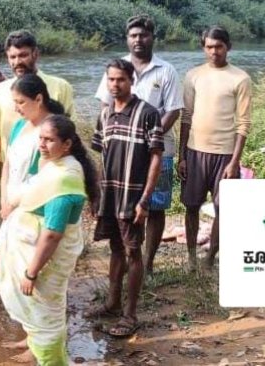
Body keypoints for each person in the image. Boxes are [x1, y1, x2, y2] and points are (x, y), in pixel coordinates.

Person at [0, 114, 100, 366]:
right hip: (35, 253)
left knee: (46, 320)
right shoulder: (56, 166)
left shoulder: (63, 179)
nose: (42, 144)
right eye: (40, 138)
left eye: (49, 140)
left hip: (44, 262)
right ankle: (37, 347)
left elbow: (52, 234)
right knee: (41, 314)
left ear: (67, 144)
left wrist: (31, 272)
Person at [93, 15, 184, 276]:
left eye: (143, 35)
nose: (138, 40)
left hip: (159, 151)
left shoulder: (166, 71)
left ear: (152, 38)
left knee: (155, 205)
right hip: (122, 152)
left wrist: (149, 140)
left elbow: (173, 110)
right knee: (124, 205)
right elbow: (105, 105)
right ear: (127, 39)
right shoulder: (117, 68)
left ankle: (149, 262)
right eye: (133, 35)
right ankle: (127, 257)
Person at [89, 59, 163, 338]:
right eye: (111, 79)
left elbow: (156, 158)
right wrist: (96, 194)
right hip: (110, 194)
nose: (115, 84)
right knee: (115, 247)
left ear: (132, 81)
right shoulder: (105, 114)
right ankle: (112, 303)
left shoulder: (148, 113)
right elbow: (102, 156)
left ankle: (130, 315)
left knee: (133, 251)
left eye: (121, 79)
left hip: (133, 195)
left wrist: (145, 200)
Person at [179, 26, 252, 271]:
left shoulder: (240, 78)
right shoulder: (193, 76)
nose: (214, 52)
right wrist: (182, 156)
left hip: (225, 155)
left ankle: (210, 258)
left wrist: (234, 162)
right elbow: (186, 116)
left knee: (224, 208)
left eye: (219, 46)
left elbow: (243, 124)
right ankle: (191, 257)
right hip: (195, 152)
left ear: (228, 47)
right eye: (209, 47)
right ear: (203, 48)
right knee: (191, 206)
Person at [0, 30, 76, 162]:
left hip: (50, 164)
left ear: (35, 54)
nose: (17, 61)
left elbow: (71, 132)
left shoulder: (60, 87)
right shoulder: (1, 90)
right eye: (12, 57)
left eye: (23, 55)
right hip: (11, 165)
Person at [0, 73, 66, 223]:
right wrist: (4, 200)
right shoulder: (19, 125)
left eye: (21, 102)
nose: (16, 108)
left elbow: (46, 175)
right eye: (15, 102)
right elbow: (7, 165)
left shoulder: (53, 130)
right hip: (10, 203)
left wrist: (13, 204)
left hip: (37, 208)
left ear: (38, 99)